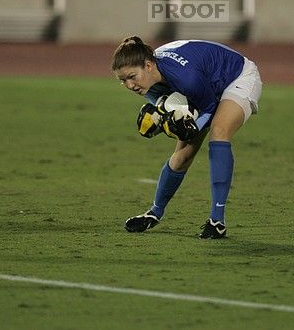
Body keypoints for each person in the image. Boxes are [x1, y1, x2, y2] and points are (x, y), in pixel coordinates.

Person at [111, 37, 262, 239]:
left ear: (148, 65)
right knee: (182, 156)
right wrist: (159, 123)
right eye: (123, 81)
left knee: (219, 132)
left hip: (237, 77)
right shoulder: (150, 81)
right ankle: (154, 213)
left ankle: (217, 221)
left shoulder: (185, 76)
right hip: (203, 85)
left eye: (132, 76)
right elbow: (172, 110)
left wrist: (187, 127)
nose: (130, 85)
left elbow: (209, 108)